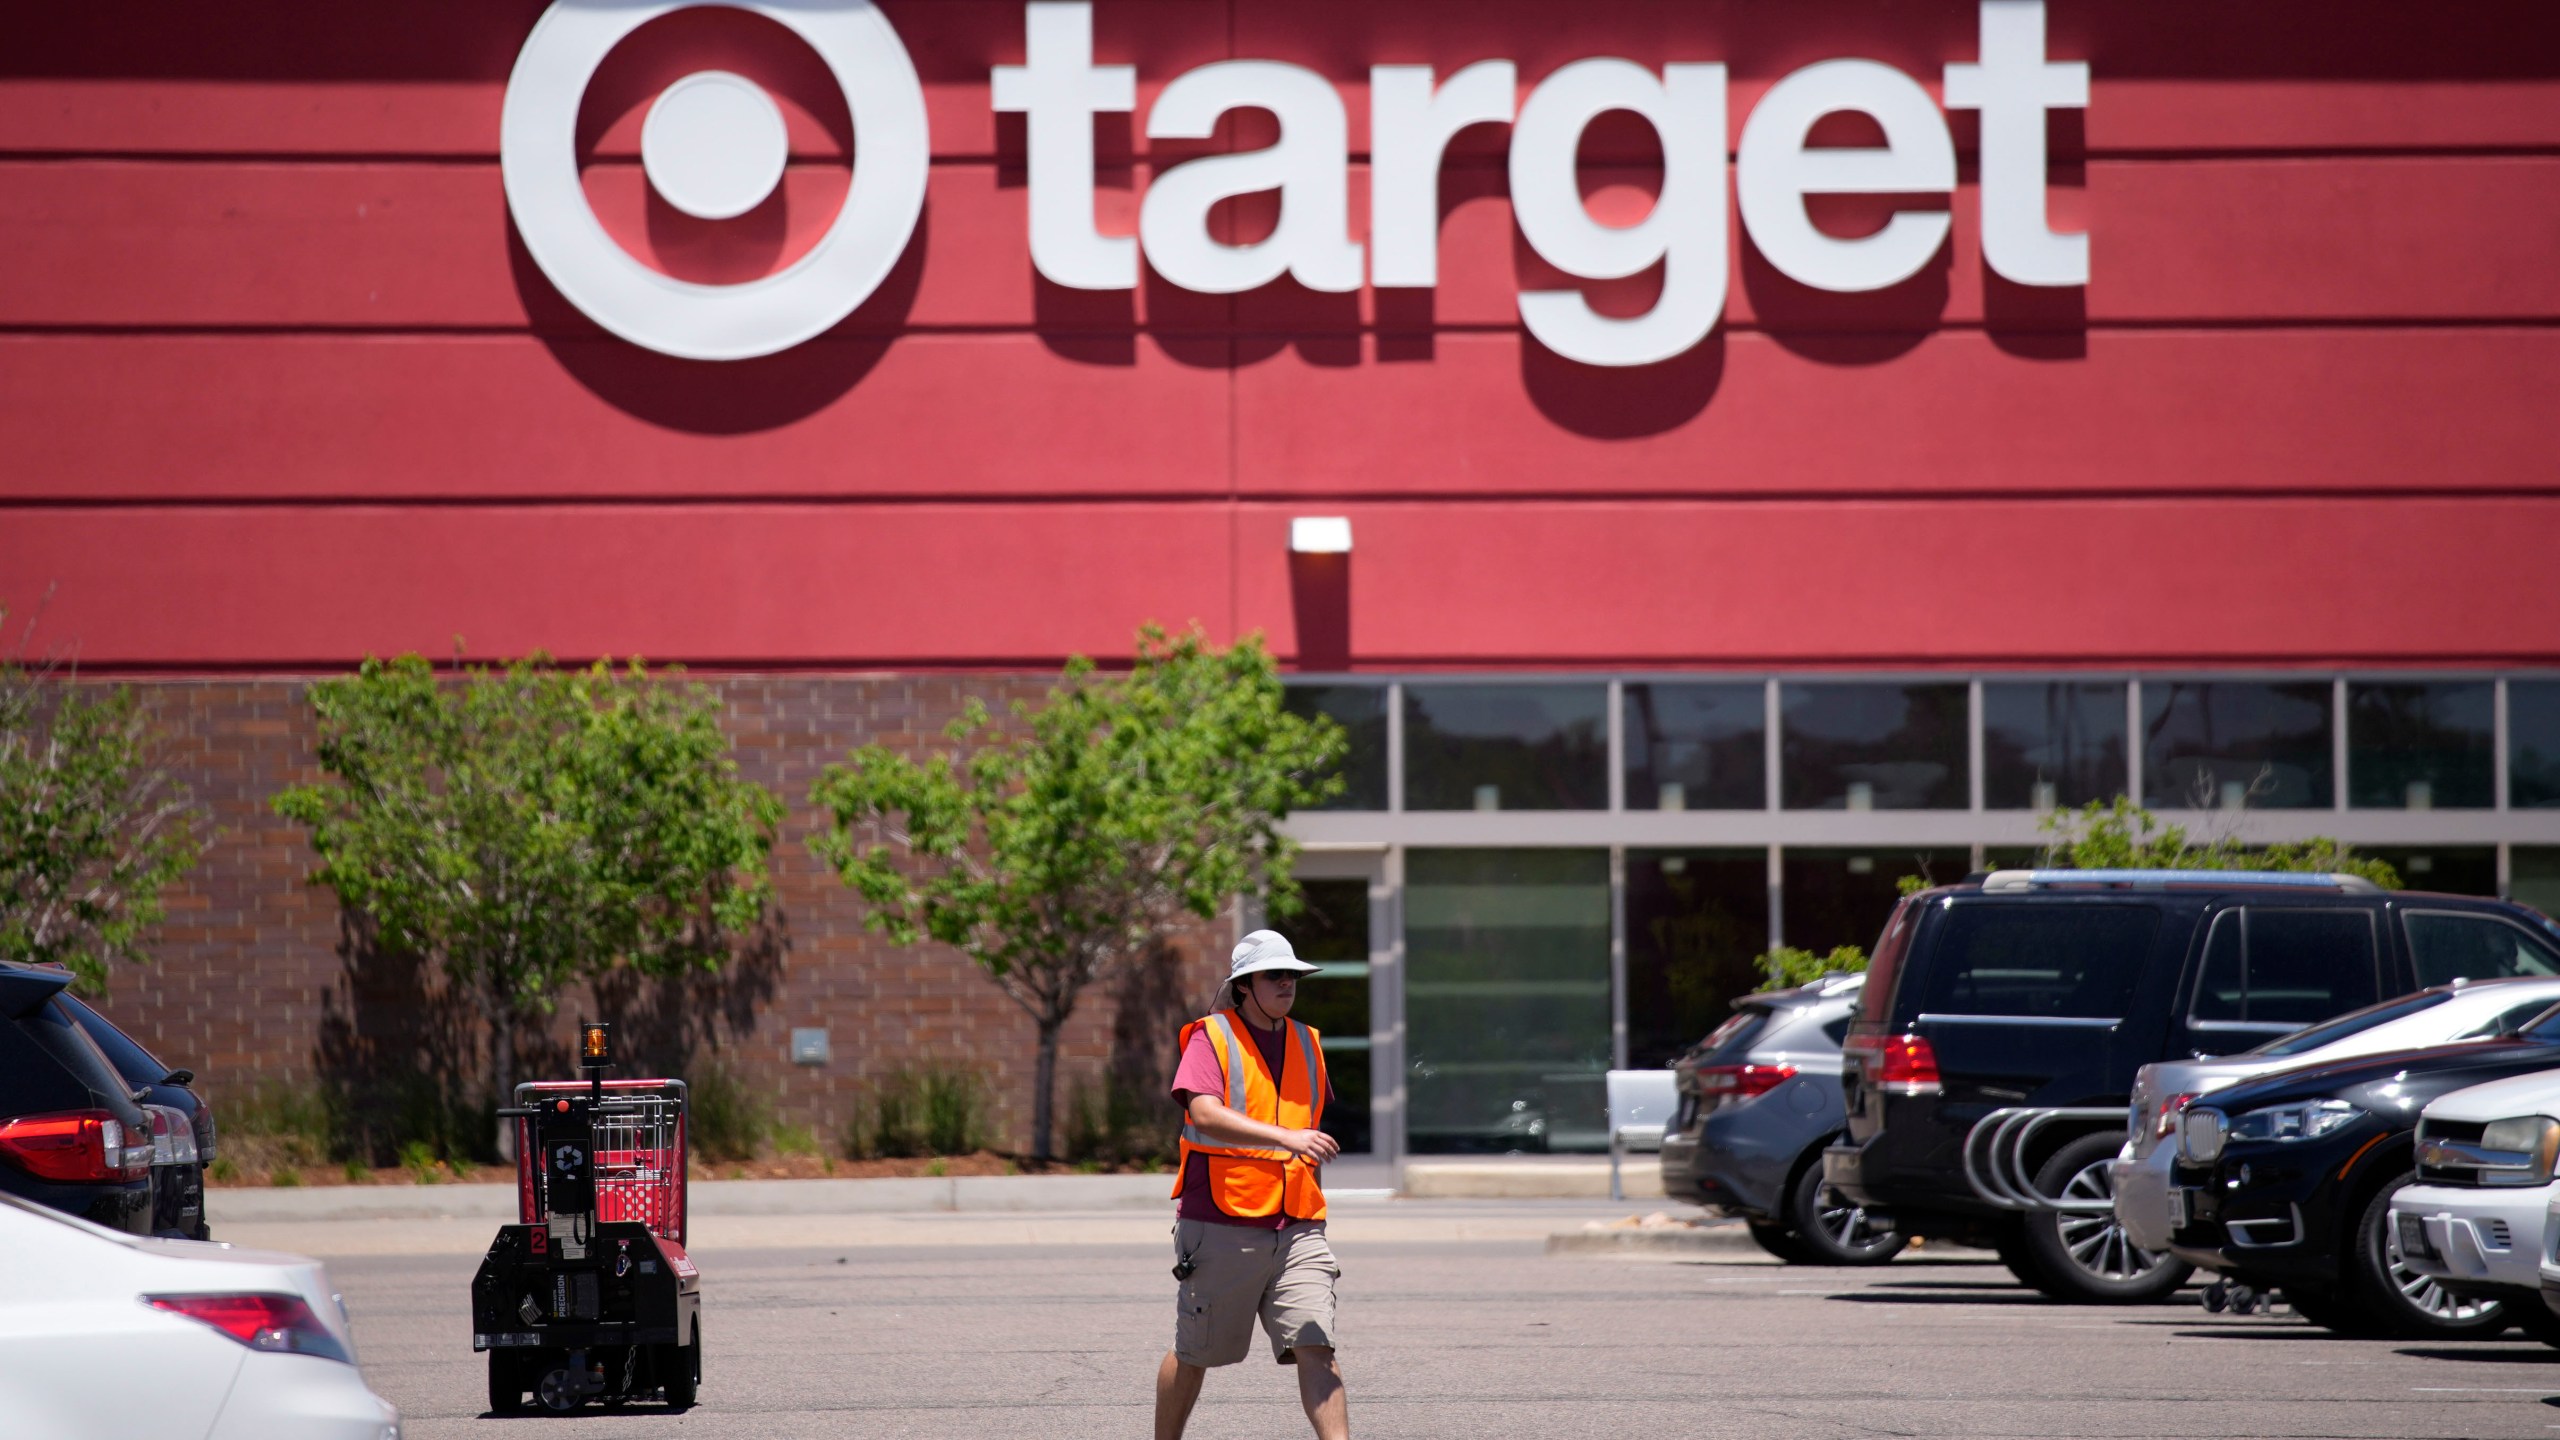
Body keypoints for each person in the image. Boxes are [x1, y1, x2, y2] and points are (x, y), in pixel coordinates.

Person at [1153, 929, 1348, 1440]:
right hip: (1222, 1220)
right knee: (1196, 1353)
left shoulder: (1308, 1042)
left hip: (1299, 1224)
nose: (1287, 984)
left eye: (1293, 976)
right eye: (1274, 976)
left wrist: (1316, 1207)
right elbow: (1204, 1112)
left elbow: (1310, 1128)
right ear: (1244, 986)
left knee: (1316, 1343)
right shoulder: (1210, 1037)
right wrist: (1287, 1138)